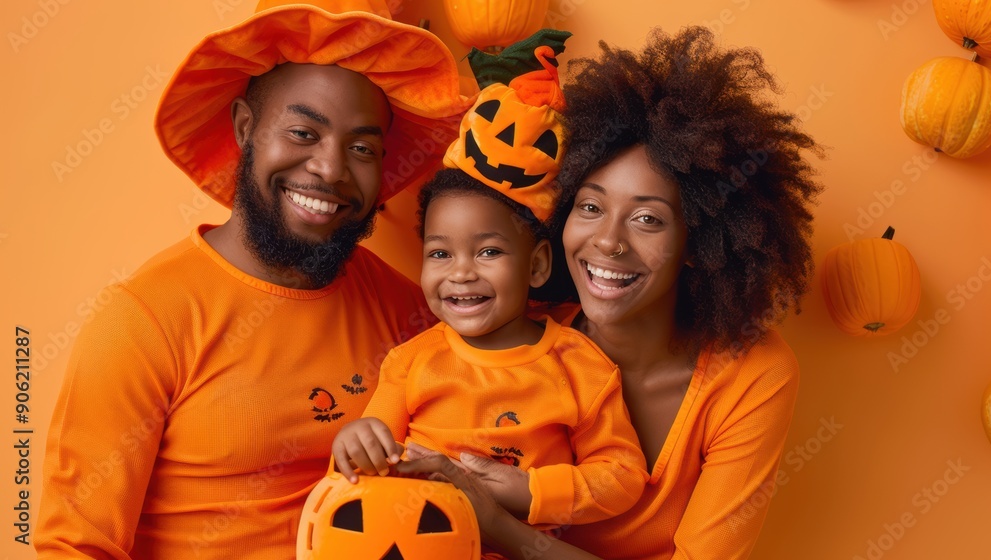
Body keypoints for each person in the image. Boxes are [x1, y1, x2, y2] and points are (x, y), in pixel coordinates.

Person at [34, 1, 467, 558]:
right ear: (246, 128)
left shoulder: (407, 310)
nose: (331, 169)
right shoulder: (145, 319)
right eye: (303, 132)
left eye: (361, 148)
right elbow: (74, 546)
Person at [397, 26, 823, 560]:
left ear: (701, 240)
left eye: (647, 219)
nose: (607, 242)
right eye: (590, 207)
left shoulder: (751, 375)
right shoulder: (515, 322)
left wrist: (499, 525)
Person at [330, 46, 648, 536]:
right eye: (440, 254)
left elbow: (622, 478)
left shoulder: (579, 366)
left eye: (487, 253)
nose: (460, 274)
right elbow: (363, 472)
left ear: (537, 265)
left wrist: (518, 490)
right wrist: (355, 442)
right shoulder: (410, 363)